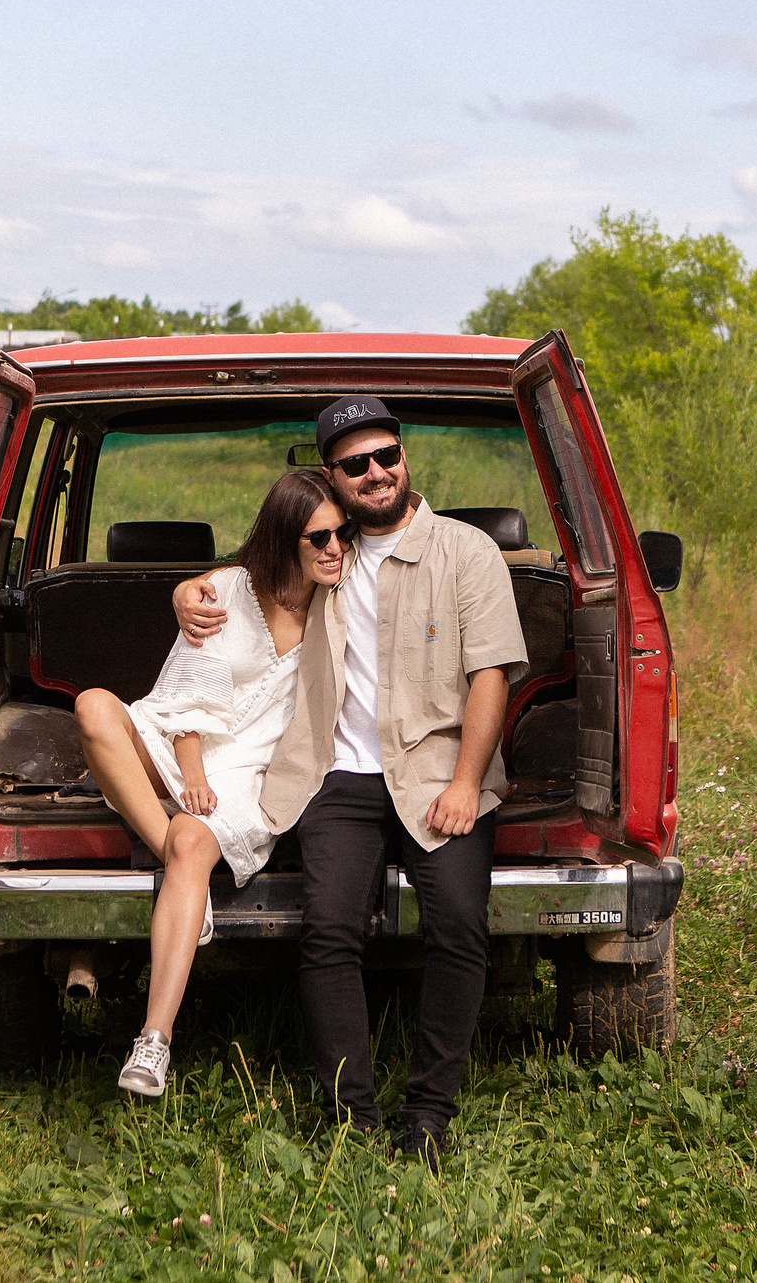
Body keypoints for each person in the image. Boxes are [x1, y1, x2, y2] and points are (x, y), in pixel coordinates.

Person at [173, 396, 525, 1165]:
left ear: (405, 457)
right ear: (331, 478)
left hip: (438, 770)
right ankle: (351, 1119)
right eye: (356, 464)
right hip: (337, 777)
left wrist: (467, 782)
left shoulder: (466, 552)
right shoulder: (326, 552)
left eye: (387, 455)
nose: (377, 473)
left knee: (460, 927)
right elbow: (245, 574)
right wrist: (185, 588)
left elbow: (491, 676)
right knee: (328, 930)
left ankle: (428, 1114)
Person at [73, 468, 350, 1098]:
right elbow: (186, 702)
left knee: (194, 844)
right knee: (93, 706)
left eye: (342, 533)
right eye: (319, 538)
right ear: (286, 541)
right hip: (184, 744)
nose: (335, 548)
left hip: (254, 771)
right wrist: (191, 776)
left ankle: (152, 1044)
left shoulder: (347, 596)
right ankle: (179, 864)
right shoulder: (224, 590)